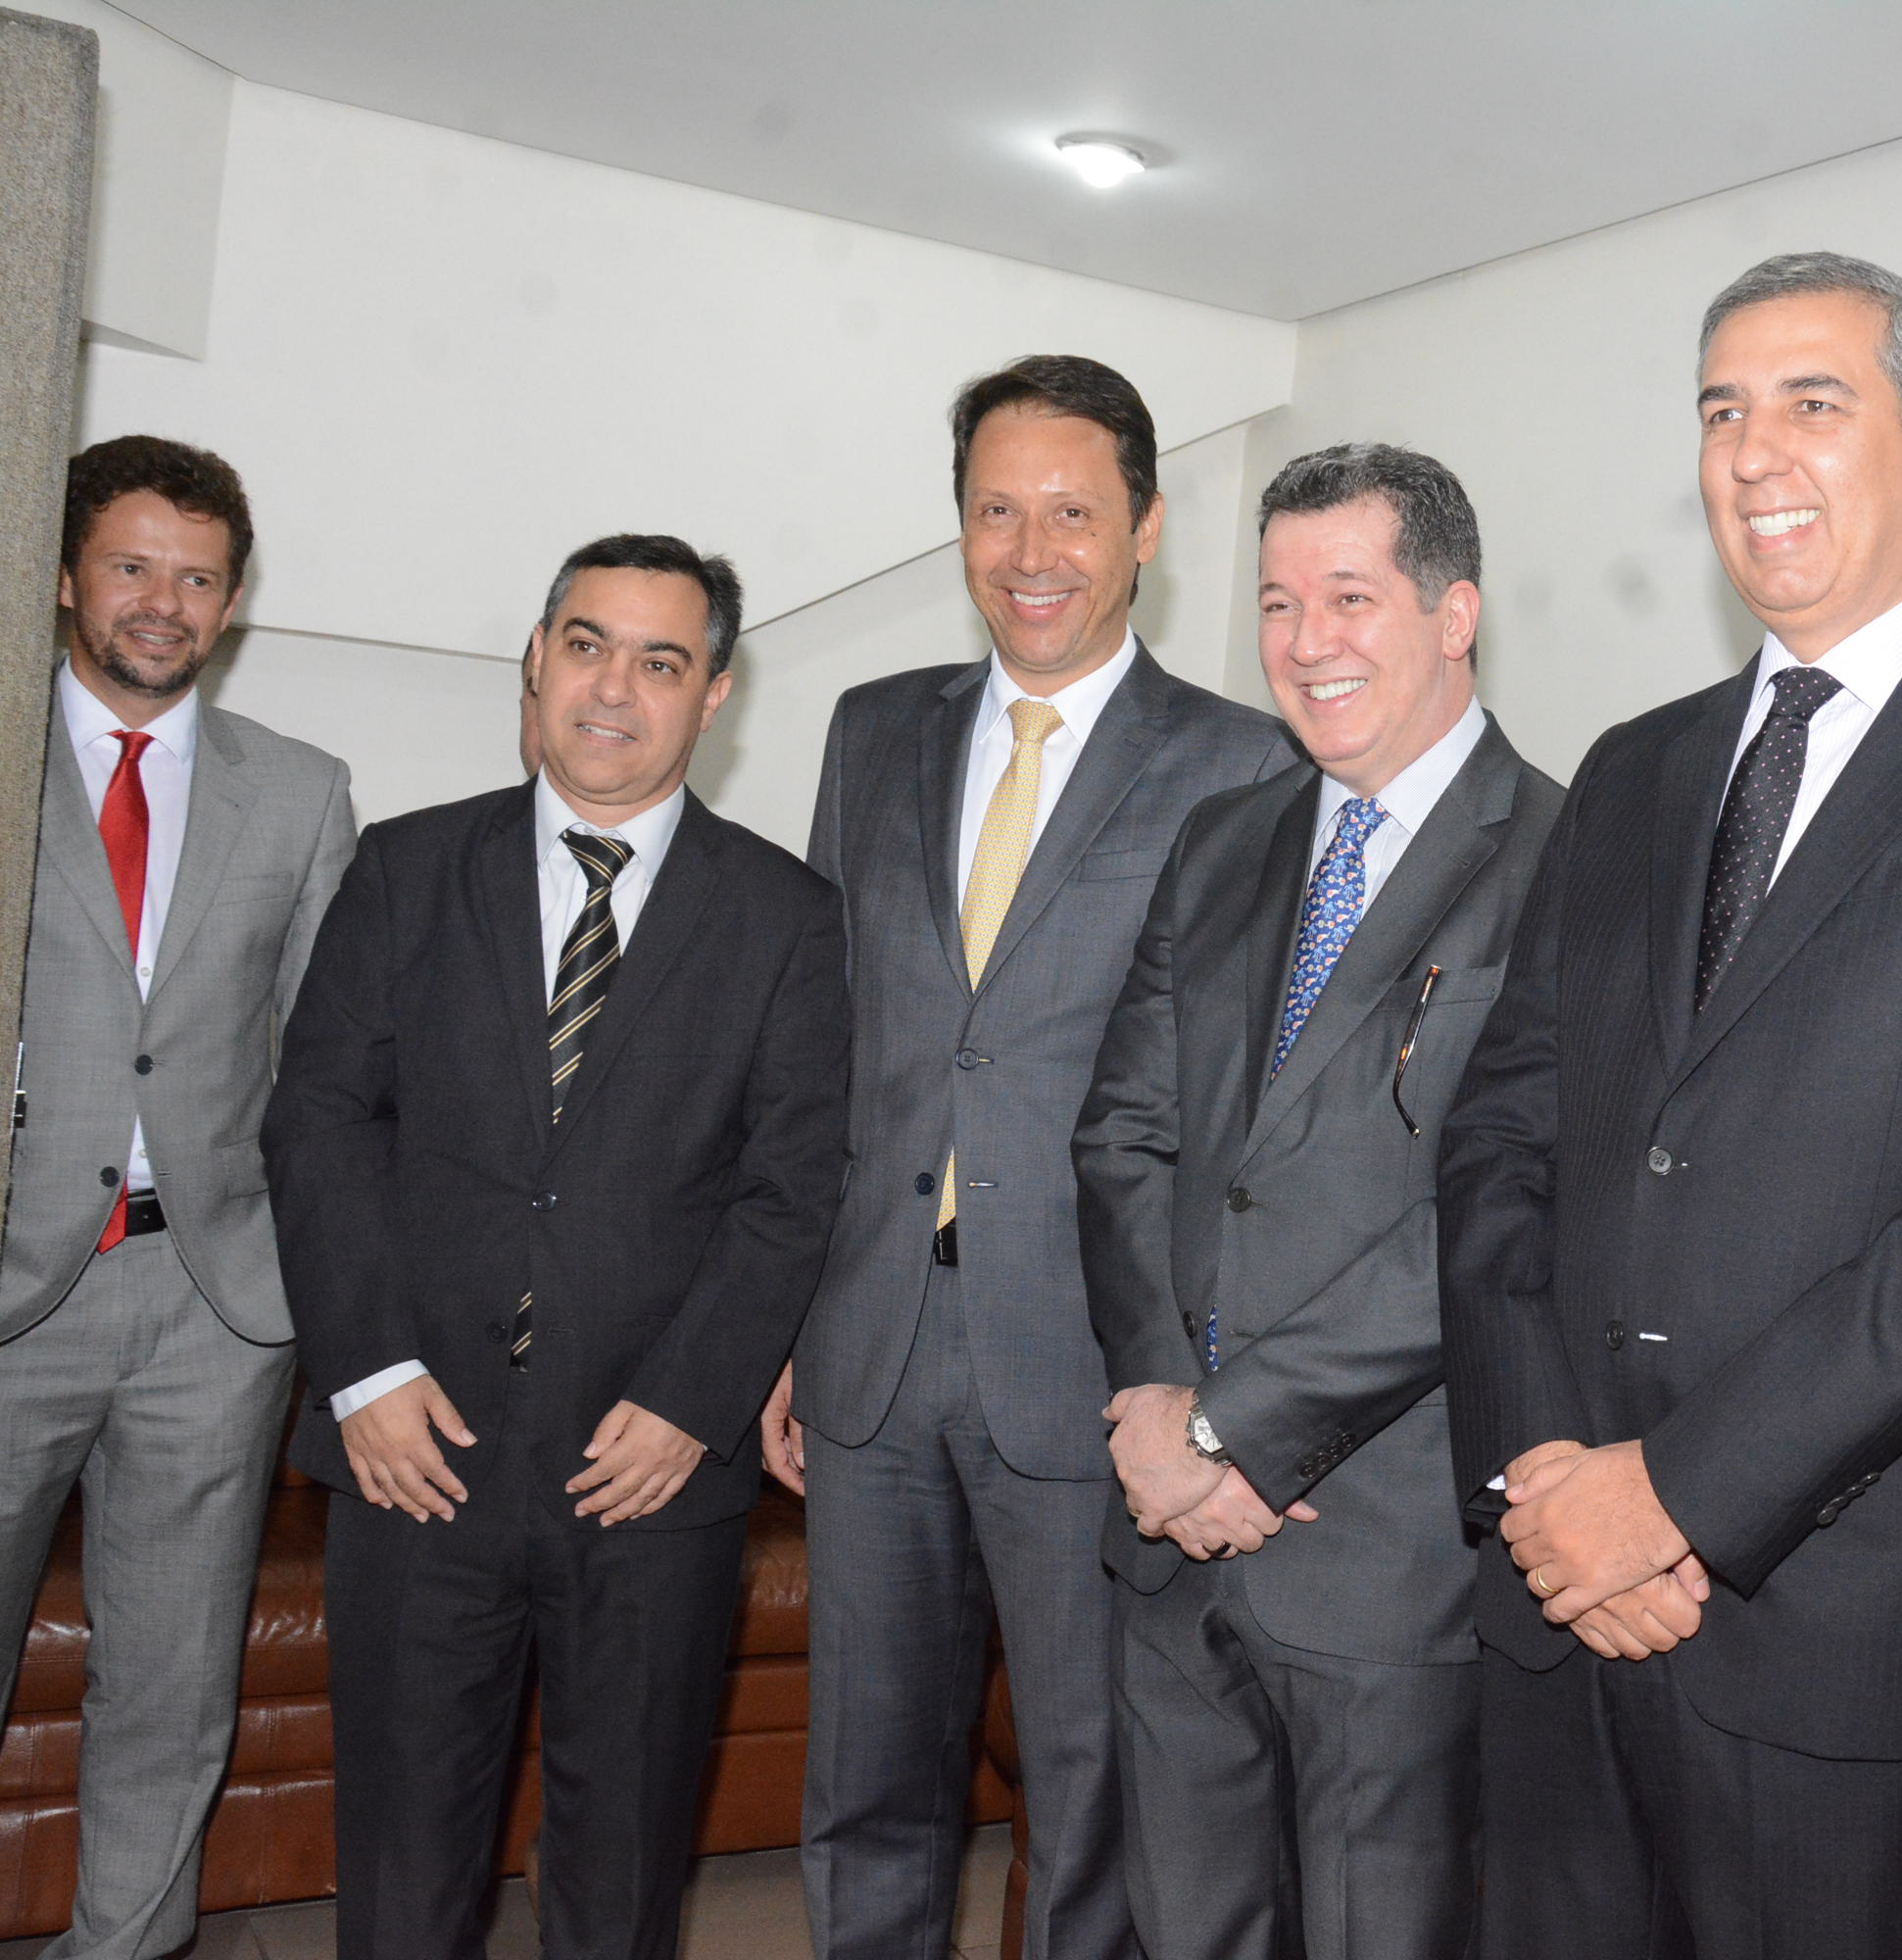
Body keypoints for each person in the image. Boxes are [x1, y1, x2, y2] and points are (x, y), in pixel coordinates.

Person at [1437, 251, 1902, 1959]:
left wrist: (1675, 1494)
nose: (1754, 453)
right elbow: (1502, 1136)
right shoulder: (1631, 766)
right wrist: (1551, 1477)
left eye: (1813, 403)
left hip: (1857, 1606)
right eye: (1722, 413)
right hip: (1559, 1572)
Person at [767, 354, 1292, 1960]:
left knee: (1091, 1800)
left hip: (1094, 1361)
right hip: (869, 1346)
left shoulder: (1245, 762)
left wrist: (1205, 1383)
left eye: (1072, 512)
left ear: (1147, 527)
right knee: (863, 1784)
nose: (1032, 550)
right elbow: (825, 1047)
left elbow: (1244, 1111)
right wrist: (785, 1325)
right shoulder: (874, 730)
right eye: (996, 511)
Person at [264, 534, 851, 1959]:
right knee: (404, 1870)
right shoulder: (405, 868)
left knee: (621, 1873)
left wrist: (694, 1403)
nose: (614, 688)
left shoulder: (787, 916)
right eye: (586, 645)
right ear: (536, 659)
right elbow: (318, 1127)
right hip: (416, 1451)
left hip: (649, 1474)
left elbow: (789, 1188)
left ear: (714, 694)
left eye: (662, 660)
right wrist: (366, 1373)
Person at [1078, 443, 1562, 1959]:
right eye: (1278, 604)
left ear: (1454, 613)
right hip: (1168, 1530)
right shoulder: (1225, 839)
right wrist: (1159, 1401)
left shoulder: (1569, 858)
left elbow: (1499, 1211)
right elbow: (1126, 1134)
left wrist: (1240, 1432)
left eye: (1349, 597)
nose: (1305, 642)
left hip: (1388, 1553)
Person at [0, 436, 353, 1960]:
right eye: (133, 567)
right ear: (66, 575)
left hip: (213, 1309)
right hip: (14, 1295)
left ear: (233, 601)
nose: (164, 602)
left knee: (170, 1689)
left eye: (198, 578)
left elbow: (328, 1066)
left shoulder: (302, 792)